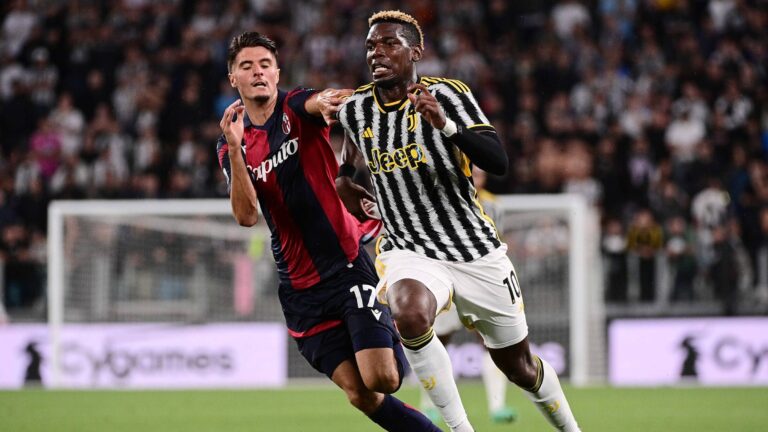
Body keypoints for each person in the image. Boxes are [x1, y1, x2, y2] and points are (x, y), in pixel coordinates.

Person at [336, 11, 581, 432]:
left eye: (389, 43)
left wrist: (445, 125)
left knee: (518, 366)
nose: (377, 52)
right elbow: (350, 162)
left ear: (416, 52)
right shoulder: (356, 109)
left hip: (473, 249)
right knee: (409, 314)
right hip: (408, 248)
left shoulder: (448, 94)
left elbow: (498, 161)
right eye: (371, 45)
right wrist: (343, 184)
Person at [216, 31, 439, 432]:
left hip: (346, 265)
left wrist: (338, 100)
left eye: (265, 64)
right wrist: (233, 148)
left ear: (277, 71)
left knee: (385, 379)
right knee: (362, 395)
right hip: (299, 290)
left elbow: (324, 100)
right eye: (246, 66)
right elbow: (247, 215)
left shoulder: (295, 107)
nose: (258, 72)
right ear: (234, 78)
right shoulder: (231, 142)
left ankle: (404, 324)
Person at [418, 167, 518, 425]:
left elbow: (497, 241)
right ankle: (428, 405)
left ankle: (497, 406)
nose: (478, 176)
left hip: (478, 280)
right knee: (436, 341)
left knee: (490, 340)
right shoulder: (440, 196)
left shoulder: (493, 205)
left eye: (482, 173)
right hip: (446, 276)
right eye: (474, 171)